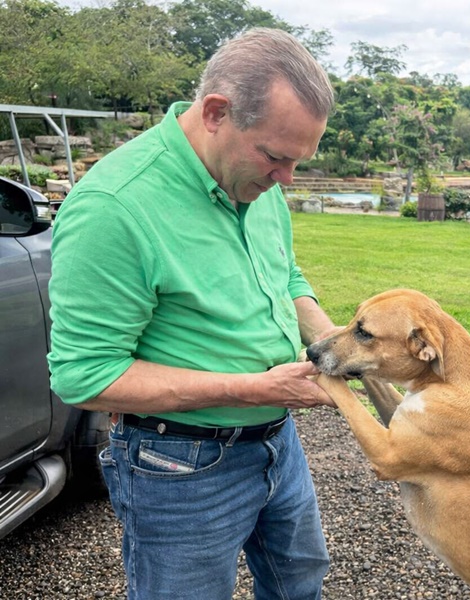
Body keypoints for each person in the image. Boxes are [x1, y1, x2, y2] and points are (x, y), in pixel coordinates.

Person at [48, 28, 338, 600]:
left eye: (298, 161)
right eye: (277, 158)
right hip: (179, 460)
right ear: (215, 112)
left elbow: (285, 277)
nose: (287, 180)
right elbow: (85, 377)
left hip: (279, 441)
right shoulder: (115, 208)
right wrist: (256, 388)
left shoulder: (254, 178)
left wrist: (337, 344)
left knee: (300, 580)